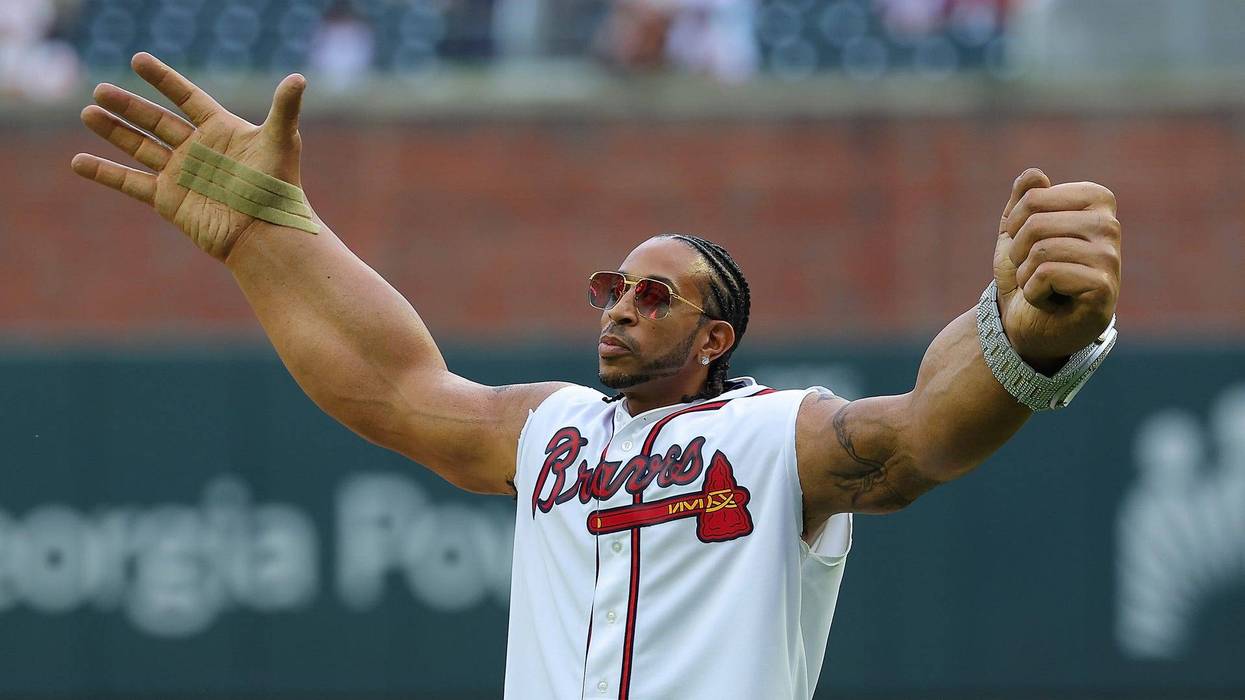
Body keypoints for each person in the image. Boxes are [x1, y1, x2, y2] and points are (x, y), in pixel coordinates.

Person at [70, 54, 1122, 699]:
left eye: (658, 292)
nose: (623, 301)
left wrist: (1026, 338)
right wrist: (265, 239)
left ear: (717, 339)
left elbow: (912, 440)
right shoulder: (557, 432)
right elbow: (396, 388)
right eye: (614, 284)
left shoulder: (770, 435)